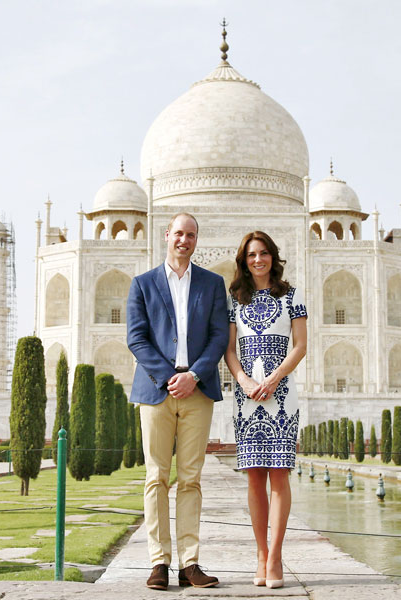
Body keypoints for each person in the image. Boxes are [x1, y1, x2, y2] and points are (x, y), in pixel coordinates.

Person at [126, 212, 229, 590]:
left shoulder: (213, 283)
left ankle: (190, 563)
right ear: (166, 235)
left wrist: (194, 375)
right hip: (157, 389)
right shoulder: (142, 284)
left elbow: (219, 337)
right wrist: (171, 377)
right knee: (156, 477)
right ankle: (159, 562)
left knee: (190, 479)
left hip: (197, 389)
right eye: (178, 234)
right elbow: (137, 338)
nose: (184, 240)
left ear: (196, 240)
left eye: (191, 235)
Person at [224, 231, 307, 589]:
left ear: (273, 256)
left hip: (280, 394)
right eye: (251, 255)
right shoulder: (234, 299)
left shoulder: (292, 296)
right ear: (243, 260)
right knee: (255, 477)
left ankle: (275, 556)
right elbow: (229, 349)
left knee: (280, 476)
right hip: (246, 396)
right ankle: (260, 555)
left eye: (264, 253)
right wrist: (241, 379)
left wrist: (273, 379)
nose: (258, 260)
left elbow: (300, 347)